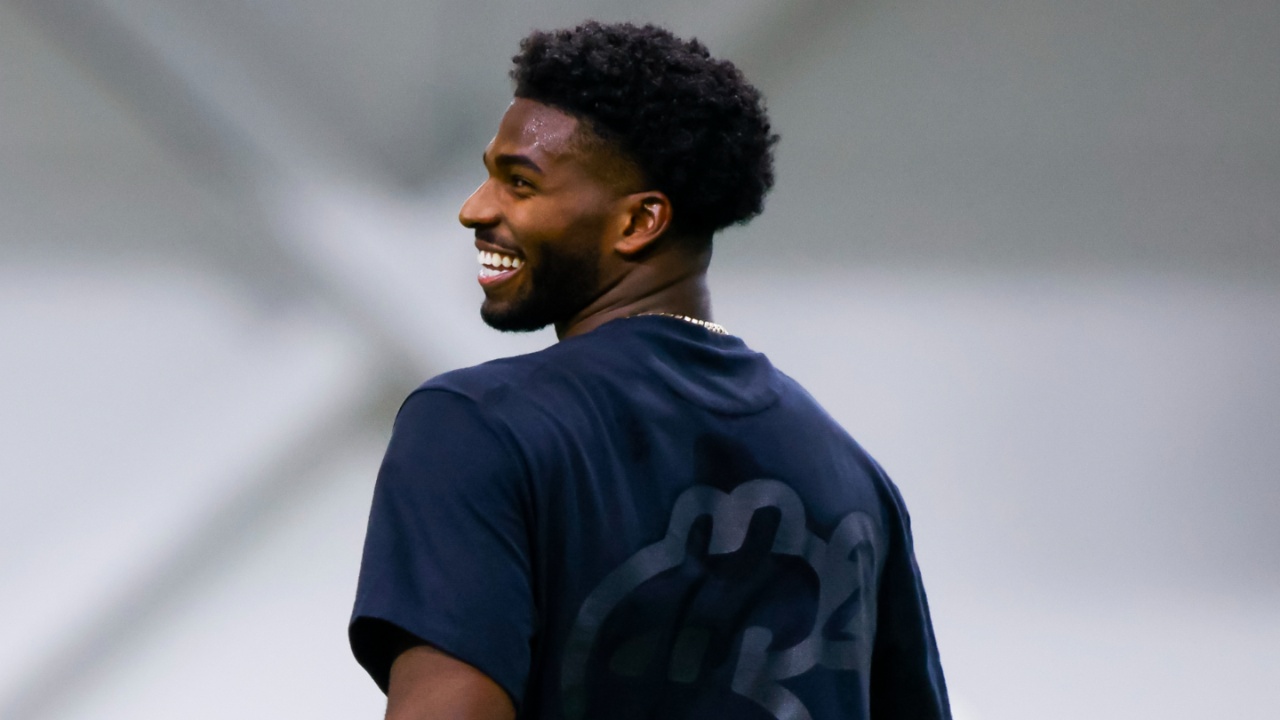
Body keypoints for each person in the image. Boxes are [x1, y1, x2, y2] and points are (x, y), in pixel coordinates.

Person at [349, 21, 950, 720]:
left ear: (639, 223)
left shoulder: (476, 428)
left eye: (519, 182)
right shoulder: (852, 477)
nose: (475, 209)